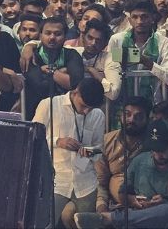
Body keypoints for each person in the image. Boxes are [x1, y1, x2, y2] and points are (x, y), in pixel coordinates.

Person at [75, 119, 168, 229]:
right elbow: (123, 194)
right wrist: (134, 201)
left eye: (162, 149)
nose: (158, 154)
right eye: (154, 149)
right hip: (139, 220)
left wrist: (165, 205)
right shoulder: (140, 161)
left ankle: (107, 219)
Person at [32, 77, 106, 229]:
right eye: (84, 106)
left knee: (86, 225)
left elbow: (99, 150)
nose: (86, 111)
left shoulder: (98, 115)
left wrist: (90, 152)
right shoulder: (50, 105)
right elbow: (33, 139)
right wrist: (58, 141)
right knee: (44, 225)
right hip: (56, 179)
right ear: (75, 93)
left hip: (86, 182)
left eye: (90, 108)